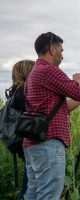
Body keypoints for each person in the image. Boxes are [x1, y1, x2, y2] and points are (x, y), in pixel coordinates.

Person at [23, 32, 80, 199]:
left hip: (34, 144)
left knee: (35, 194)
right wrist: (77, 80)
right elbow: (76, 92)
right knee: (49, 195)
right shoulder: (49, 70)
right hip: (48, 143)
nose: (62, 55)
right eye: (61, 50)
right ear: (52, 49)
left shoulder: (35, 72)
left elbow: (62, 107)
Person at [5, 60, 34, 200]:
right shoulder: (24, 91)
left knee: (29, 183)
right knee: (29, 186)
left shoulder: (15, 91)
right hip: (29, 141)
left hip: (22, 142)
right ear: (27, 73)